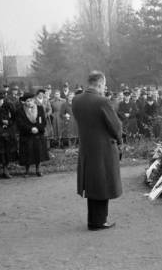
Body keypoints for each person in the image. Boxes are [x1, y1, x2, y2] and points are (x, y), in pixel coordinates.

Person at [72, 71, 122, 231]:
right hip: (104, 150)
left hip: (87, 149)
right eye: (104, 85)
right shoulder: (102, 101)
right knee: (103, 184)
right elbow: (116, 126)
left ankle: (94, 220)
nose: (104, 88)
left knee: (93, 185)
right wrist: (120, 140)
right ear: (100, 84)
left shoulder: (76, 100)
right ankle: (99, 222)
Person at [16, 92, 49, 177]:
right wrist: (30, 129)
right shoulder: (20, 110)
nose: (29, 102)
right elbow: (20, 123)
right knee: (27, 153)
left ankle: (38, 170)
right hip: (27, 135)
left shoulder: (40, 108)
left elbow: (44, 122)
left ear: (34, 100)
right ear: (24, 102)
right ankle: (27, 171)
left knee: (38, 152)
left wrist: (38, 128)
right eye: (27, 101)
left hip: (38, 134)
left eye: (30, 100)